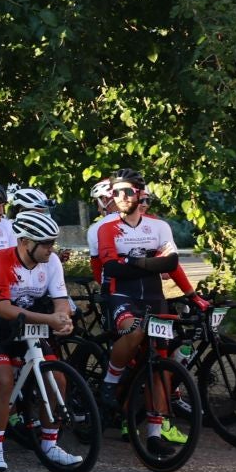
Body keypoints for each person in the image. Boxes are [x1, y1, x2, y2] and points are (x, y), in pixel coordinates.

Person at [0, 209, 82, 472]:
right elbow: (4, 310)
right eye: (44, 243)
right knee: (4, 379)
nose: (50, 250)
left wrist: (63, 318)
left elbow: (61, 301)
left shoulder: (51, 262)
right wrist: (50, 320)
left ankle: (50, 445)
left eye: (52, 243)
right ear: (24, 242)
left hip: (27, 325)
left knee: (58, 380)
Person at [94, 173, 195, 445]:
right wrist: (150, 261)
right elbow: (112, 268)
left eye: (127, 192)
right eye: (115, 193)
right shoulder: (107, 228)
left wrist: (133, 261)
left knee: (160, 362)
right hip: (122, 296)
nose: (121, 198)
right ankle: (111, 379)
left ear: (139, 193)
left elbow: (171, 263)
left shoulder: (159, 226)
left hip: (154, 297)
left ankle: (154, 430)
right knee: (136, 331)